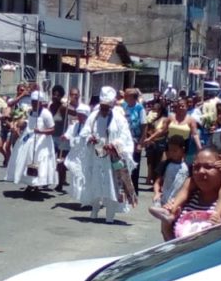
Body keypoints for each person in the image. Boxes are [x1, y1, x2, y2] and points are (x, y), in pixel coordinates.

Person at [71, 86, 137, 223]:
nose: (104, 109)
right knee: (95, 183)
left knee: (112, 186)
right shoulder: (93, 116)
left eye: (107, 106)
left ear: (112, 104)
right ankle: (94, 211)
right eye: (102, 106)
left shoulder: (119, 119)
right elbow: (84, 132)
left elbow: (125, 137)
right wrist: (90, 138)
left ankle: (110, 215)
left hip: (112, 158)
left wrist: (114, 144)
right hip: (96, 156)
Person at [164, 148, 221, 239]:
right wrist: (166, 223)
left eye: (208, 167)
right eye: (196, 167)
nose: (201, 171)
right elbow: (171, 244)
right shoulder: (186, 200)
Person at [9, 91, 58, 193]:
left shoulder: (46, 114)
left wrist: (41, 131)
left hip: (42, 142)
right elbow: (29, 123)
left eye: (36, 102)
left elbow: (52, 129)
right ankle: (29, 183)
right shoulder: (30, 111)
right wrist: (20, 125)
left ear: (40, 102)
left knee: (39, 162)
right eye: (33, 101)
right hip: (30, 140)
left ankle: (36, 183)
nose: (34, 104)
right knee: (27, 160)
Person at [150, 135, 190, 240]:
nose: (172, 153)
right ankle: (168, 245)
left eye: (175, 150)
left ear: (182, 150)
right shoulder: (165, 164)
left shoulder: (188, 166)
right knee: (165, 229)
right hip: (165, 200)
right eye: (170, 150)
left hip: (178, 202)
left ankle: (172, 246)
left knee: (176, 227)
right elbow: (157, 182)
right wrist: (156, 193)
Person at [121, 88, 146, 191]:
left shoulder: (140, 109)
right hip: (124, 140)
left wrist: (141, 143)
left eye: (127, 96)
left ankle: (134, 189)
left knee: (134, 165)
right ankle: (124, 187)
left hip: (135, 140)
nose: (125, 97)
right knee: (123, 164)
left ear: (133, 97)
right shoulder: (123, 107)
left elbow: (144, 126)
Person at [140, 99, 170, 185]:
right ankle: (149, 177)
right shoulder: (151, 118)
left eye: (157, 110)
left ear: (161, 110)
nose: (155, 111)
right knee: (150, 161)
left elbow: (163, 130)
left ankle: (156, 181)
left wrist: (152, 137)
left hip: (160, 142)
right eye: (153, 109)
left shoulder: (165, 119)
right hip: (150, 142)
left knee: (158, 162)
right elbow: (147, 129)